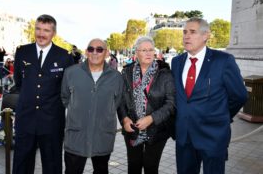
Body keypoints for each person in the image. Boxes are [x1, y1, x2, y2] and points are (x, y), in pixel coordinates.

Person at [171, 17, 248, 174]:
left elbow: (239, 95)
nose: (186, 36)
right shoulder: (176, 62)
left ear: (206, 35)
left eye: (192, 32)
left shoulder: (224, 60)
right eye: (185, 32)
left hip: (213, 137)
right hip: (184, 137)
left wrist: (221, 116)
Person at [13, 14, 74, 174]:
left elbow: (67, 90)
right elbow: (19, 82)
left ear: (53, 33)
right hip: (25, 119)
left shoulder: (64, 56)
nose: (41, 34)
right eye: (38, 29)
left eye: (46, 30)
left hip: (52, 121)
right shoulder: (22, 52)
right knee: (21, 164)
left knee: (52, 165)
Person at [61, 38, 123, 174]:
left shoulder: (116, 77)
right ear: (86, 52)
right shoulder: (71, 73)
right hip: (76, 136)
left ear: (106, 53)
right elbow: (65, 98)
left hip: (102, 136)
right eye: (91, 49)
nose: (95, 52)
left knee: (101, 170)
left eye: (99, 49)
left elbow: (117, 102)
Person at [117, 36, 176, 174]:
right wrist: (125, 119)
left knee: (151, 167)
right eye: (144, 50)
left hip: (157, 129)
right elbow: (120, 100)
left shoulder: (165, 73)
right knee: (133, 166)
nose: (148, 53)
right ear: (136, 52)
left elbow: (171, 103)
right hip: (132, 128)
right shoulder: (126, 72)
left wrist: (151, 119)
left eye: (151, 50)